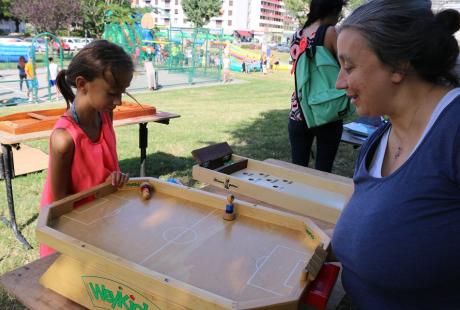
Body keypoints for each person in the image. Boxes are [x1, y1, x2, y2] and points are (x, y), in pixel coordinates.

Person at [331, 1, 460, 308]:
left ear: (400, 64)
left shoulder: (454, 131)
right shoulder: (377, 141)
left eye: (349, 67)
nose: (339, 82)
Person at [39, 40, 132, 257]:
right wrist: (101, 188)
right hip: (69, 241)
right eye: (112, 93)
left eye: (123, 92)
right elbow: (59, 208)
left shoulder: (106, 115)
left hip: (101, 225)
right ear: (82, 85)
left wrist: (114, 179)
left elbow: (105, 172)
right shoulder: (64, 139)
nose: (118, 101)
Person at [288, 0, 346, 172]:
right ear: (333, 10)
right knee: (323, 171)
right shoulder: (331, 33)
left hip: (299, 110)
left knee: (298, 170)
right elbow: (345, 65)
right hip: (326, 108)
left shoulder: (296, 35)